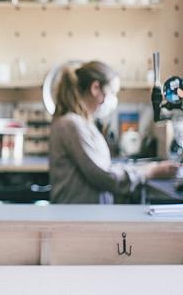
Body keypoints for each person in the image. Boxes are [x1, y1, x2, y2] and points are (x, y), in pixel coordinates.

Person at [49, 61, 178, 204]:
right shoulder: (71, 124)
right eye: (112, 92)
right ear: (95, 88)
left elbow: (104, 168)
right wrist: (150, 171)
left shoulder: (83, 123)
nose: (114, 99)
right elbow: (105, 177)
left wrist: (144, 168)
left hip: (85, 215)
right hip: (77, 219)